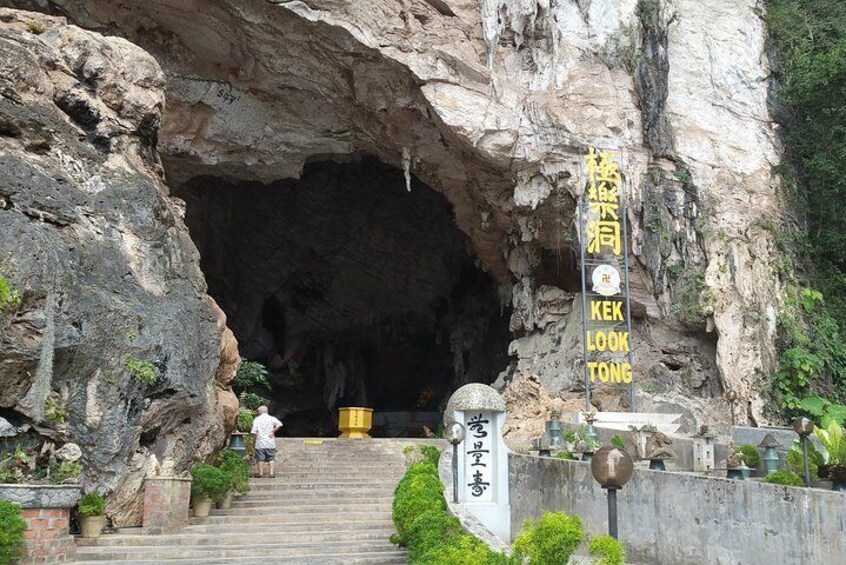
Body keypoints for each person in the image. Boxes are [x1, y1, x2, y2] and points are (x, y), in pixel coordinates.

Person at [250, 406, 283, 478]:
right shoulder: (271, 418)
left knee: (260, 458)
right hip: (270, 442)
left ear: (260, 411)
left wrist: (255, 438)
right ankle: (271, 473)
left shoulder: (257, 419)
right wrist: (273, 431)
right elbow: (280, 424)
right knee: (271, 458)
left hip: (260, 442)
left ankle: (260, 473)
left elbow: (253, 431)